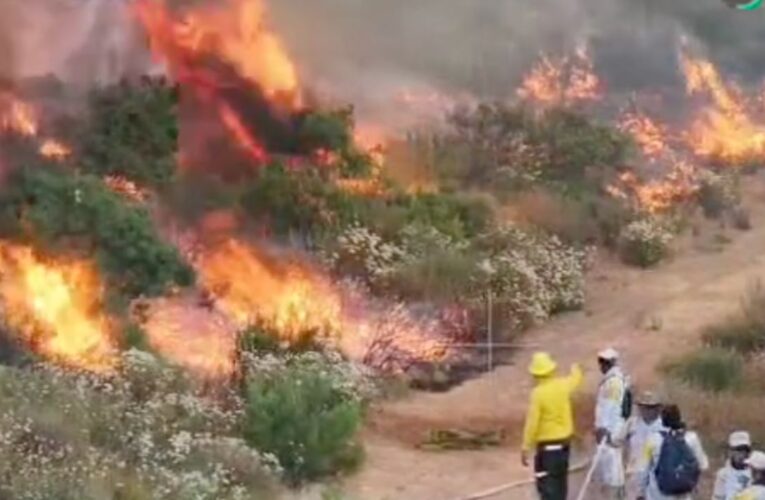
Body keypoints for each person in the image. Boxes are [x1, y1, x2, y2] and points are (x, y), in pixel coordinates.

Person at [521, 352, 583, 500]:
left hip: (547, 449)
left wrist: (525, 447)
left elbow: (532, 423)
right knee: (561, 486)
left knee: (547, 488)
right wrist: (576, 368)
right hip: (564, 447)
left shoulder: (538, 394)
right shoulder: (562, 386)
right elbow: (576, 379)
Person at [637, 404, 709, 500]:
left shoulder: (652, 440)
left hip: (657, 494)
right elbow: (704, 465)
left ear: (662, 420)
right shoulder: (692, 438)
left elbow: (643, 469)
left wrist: (640, 492)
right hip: (683, 494)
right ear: (679, 418)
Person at [612, 391, 663, 497]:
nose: (648, 410)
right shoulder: (632, 423)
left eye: (651, 407)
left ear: (658, 409)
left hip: (655, 475)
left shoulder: (663, 426)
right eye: (645, 407)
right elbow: (616, 440)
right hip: (634, 472)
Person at [595, 347, 630, 499]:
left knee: (612, 469)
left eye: (602, 363)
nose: (600, 366)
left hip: (610, 432)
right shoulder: (612, 380)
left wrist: (604, 428)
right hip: (610, 430)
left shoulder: (614, 382)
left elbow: (611, 406)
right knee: (611, 468)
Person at [713, 431, 753, 500]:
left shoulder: (756, 473)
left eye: (744, 450)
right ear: (730, 451)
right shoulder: (723, 474)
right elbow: (718, 497)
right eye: (737, 450)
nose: (741, 454)